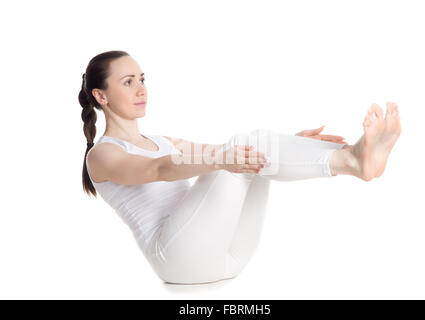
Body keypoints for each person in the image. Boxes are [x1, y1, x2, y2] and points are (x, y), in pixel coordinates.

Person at [79, 50, 402, 284]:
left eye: (142, 79)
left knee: (245, 151)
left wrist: (293, 144)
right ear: (101, 96)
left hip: (228, 255)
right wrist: (227, 157)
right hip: (178, 262)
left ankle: (351, 155)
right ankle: (355, 160)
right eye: (128, 82)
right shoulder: (102, 155)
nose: (141, 89)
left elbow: (226, 153)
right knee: (237, 150)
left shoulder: (163, 140)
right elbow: (159, 170)